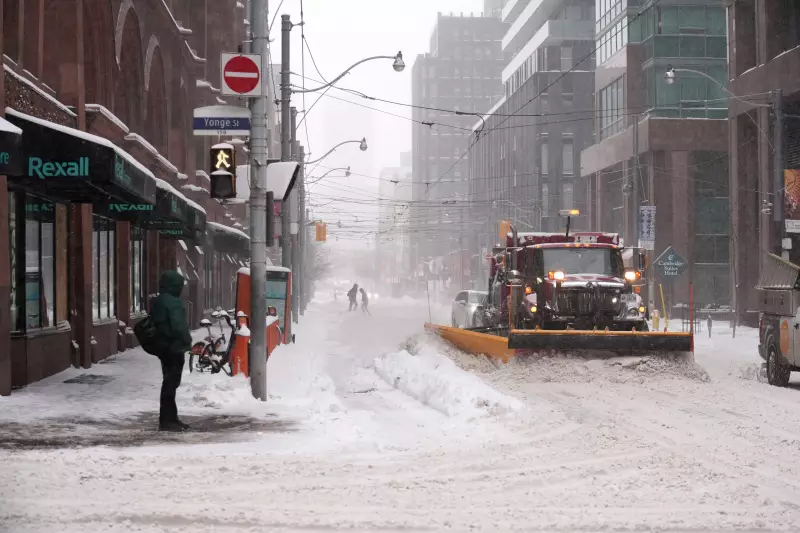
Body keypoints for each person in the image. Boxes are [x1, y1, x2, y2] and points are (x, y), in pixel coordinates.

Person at [149, 271, 192, 432]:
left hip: (163, 347)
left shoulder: (158, 300)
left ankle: (170, 418)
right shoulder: (173, 302)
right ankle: (168, 420)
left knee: (168, 382)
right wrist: (187, 342)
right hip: (174, 347)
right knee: (171, 384)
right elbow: (179, 326)